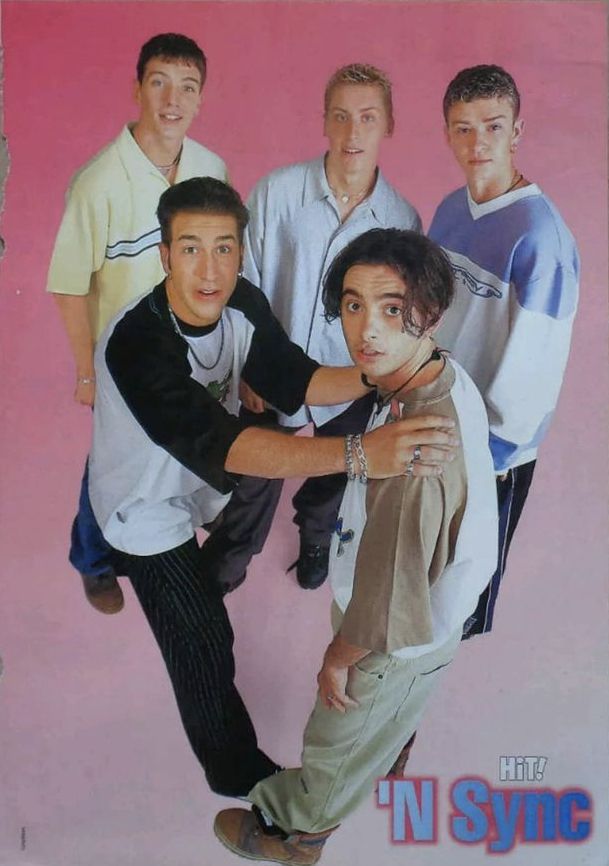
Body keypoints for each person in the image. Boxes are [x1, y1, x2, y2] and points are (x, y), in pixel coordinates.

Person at [88, 178, 458, 797]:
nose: (210, 270)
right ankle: (241, 781)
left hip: (203, 487)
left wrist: (384, 367)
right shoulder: (136, 344)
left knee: (208, 599)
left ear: (240, 248)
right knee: (203, 640)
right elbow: (233, 445)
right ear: (164, 253)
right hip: (144, 508)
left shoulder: (243, 301)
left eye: (225, 248)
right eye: (190, 249)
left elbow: (294, 377)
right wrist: (361, 455)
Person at [213, 228, 498, 862]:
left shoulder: (418, 445)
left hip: (397, 626)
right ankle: (387, 745)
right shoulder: (425, 371)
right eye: (351, 305)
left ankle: (300, 830)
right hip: (430, 603)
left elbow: (395, 589)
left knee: (336, 725)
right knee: (385, 713)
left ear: (428, 312)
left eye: (391, 308)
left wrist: (340, 653)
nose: (366, 328)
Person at [200, 63, 421, 593]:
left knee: (335, 472)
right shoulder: (276, 192)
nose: (353, 132)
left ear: (388, 124)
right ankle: (224, 566)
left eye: (368, 118)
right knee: (252, 478)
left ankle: (316, 535)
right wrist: (243, 368)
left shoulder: (402, 219)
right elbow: (240, 282)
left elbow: (397, 316)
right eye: (341, 116)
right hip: (270, 373)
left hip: (350, 378)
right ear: (324, 119)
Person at [47, 32, 228, 614]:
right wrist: (85, 372)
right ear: (137, 89)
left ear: (200, 98)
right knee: (111, 460)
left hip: (196, 346)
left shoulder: (211, 168)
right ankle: (94, 560)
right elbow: (70, 286)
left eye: (187, 86)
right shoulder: (97, 182)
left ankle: (164, 534)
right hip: (125, 359)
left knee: (176, 448)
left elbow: (221, 256)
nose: (172, 100)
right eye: (159, 83)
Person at [428, 64, 579, 636]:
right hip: (436, 422)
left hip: (490, 456)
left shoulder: (541, 241)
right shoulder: (448, 211)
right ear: (446, 132)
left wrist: (482, 461)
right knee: (419, 569)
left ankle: (416, 695)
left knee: (460, 594)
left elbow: (532, 380)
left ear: (517, 131)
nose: (477, 144)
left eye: (492, 126)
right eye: (462, 128)